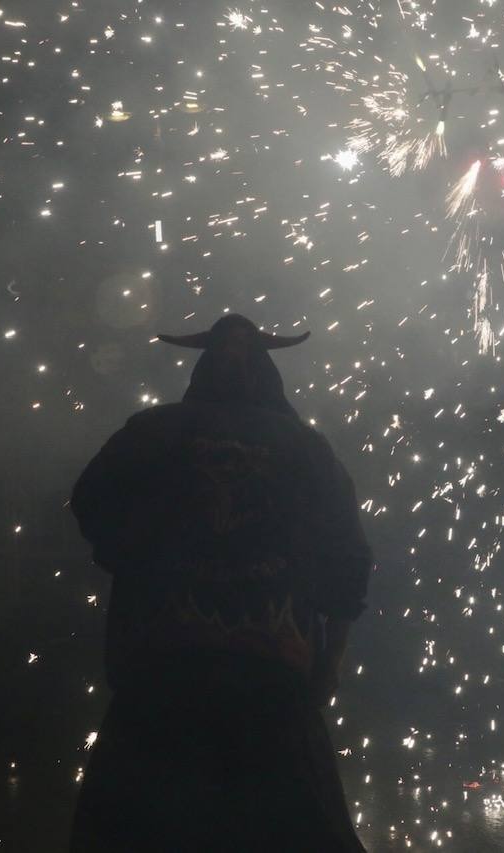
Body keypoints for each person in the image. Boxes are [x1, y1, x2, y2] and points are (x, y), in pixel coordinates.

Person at [68, 314, 373, 852]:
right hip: (274, 682)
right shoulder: (305, 448)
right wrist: (329, 664)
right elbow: (348, 560)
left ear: (200, 369)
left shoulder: (152, 433)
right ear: (270, 374)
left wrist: (139, 561)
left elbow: (91, 505)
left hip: (160, 679)